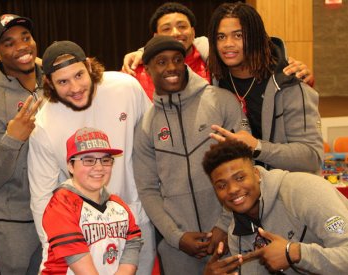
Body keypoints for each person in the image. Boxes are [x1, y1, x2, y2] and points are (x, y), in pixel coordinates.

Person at [28, 40, 155, 274]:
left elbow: (153, 145)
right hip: (78, 234)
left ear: (88, 66)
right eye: (63, 82)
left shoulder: (126, 88)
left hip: (135, 220)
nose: (75, 88)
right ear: (49, 83)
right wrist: (54, 245)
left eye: (78, 75)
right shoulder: (43, 123)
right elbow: (41, 196)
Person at [132, 35, 248, 274]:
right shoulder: (145, 126)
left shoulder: (222, 102)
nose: (172, 67)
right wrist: (176, 237)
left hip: (232, 237)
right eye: (161, 62)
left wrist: (225, 224)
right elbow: (148, 189)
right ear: (148, 69)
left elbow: (246, 168)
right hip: (178, 251)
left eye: (177, 59)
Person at [207, 2, 323, 174]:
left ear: (255, 37)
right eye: (220, 37)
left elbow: (312, 158)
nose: (228, 44)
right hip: (238, 193)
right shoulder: (213, 81)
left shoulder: (289, 83)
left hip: (286, 193)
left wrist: (257, 147)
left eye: (238, 35)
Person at [202, 139, 348, 274]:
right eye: (222, 185)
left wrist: (296, 253)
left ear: (256, 174)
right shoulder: (236, 235)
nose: (232, 189)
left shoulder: (306, 191)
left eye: (240, 178)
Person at [121, 2, 314, 100]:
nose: (175, 33)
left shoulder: (212, 60)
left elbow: (259, 58)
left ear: (193, 32)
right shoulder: (135, 70)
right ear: (155, 36)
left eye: (182, 26)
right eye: (166, 29)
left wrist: (288, 67)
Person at [0, 14, 43, 275]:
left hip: (51, 216)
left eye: (25, 38)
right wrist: (13, 139)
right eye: (9, 43)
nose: (22, 46)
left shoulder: (53, 86)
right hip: (11, 221)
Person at [41, 127, 143, 275]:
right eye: (88, 160)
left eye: (106, 160)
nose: (99, 167)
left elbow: (133, 241)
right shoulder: (61, 204)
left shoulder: (119, 205)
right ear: (70, 165)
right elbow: (82, 267)